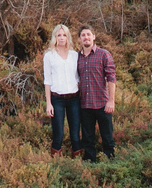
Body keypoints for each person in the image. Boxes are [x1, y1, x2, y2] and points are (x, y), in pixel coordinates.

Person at [77, 24, 116, 162]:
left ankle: (110, 164)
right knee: (87, 139)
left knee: (107, 137)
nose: (86, 37)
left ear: (94, 37)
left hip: (102, 104)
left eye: (88, 34)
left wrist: (111, 101)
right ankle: (90, 165)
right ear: (80, 39)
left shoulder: (104, 54)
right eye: (83, 35)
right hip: (85, 105)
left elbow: (111, 78)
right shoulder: (77, 58)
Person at [43, 24, 82, 157]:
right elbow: (47, 81)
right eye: (58, 35)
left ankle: (77, 164)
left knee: (75, 134)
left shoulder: (74, 55)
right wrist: (49, 103)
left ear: (68, 37)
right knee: (58, 134)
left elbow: (78, 78)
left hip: (74, 99)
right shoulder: (49, 56)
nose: (61, 38)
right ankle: (56, 164)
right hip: (57, 99)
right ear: (54, 37)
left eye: (64, 35)